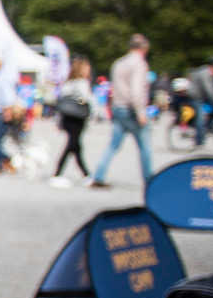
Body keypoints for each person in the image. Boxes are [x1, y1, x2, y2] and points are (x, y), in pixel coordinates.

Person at [90, 33, 155, 190]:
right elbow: (136, 89)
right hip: (131, 109)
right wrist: (140, 112)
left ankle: (99, 175)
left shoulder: (119, 63)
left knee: (113, 145)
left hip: (118, 108)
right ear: (144, 48)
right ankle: (150, 180)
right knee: (145, 146)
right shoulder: (139, 64)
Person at [49, 56, 94, 187]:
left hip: (67, 117)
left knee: (75, 146)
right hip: (77, 117)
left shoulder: (67, 83)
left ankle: (86, 174)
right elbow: (86, 98)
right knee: (72, 145)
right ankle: (58, 174)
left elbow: (59, 100)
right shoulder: (82, 83)